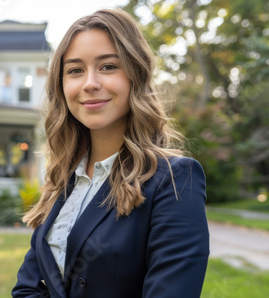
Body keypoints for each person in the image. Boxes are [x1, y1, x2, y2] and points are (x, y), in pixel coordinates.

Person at [12, 8, 209, 298]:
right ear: (62, 85)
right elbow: (27, 289)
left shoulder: (175, 179)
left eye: (108, 67)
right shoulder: (64, 181)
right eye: (75, 70)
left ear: (135, 76)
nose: (90, 83)